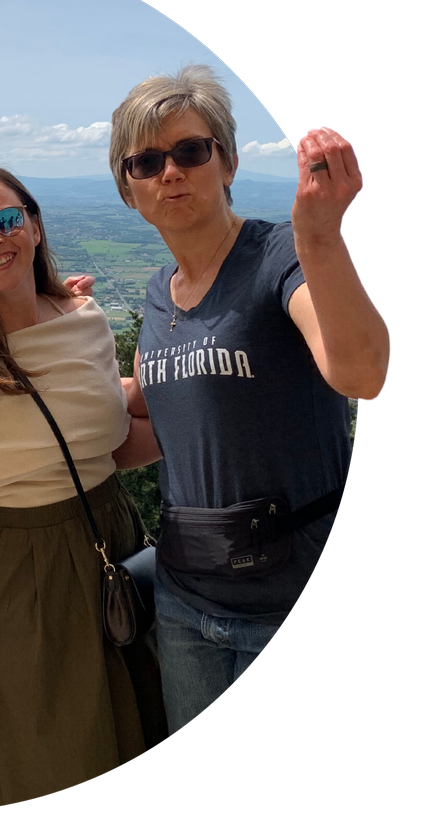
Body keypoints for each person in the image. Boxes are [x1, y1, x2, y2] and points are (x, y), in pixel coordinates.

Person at [109, 65, 390, 733]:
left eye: (190, 150)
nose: (169, 171)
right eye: (147, 161)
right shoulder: (156, 294)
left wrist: (321, 235)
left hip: (286, 598)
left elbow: (362, 374)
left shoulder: (282, 256)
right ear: (128, 190)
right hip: (184, 605)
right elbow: (149, 411)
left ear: (227, 161)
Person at [0, 166, 166, 810]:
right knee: (50, 759)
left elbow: (103, 450)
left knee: (135, 727)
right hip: (22, 580)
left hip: (113, 547)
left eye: (5, 220)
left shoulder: (84, 319)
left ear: (34, 222)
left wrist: (210, 419)